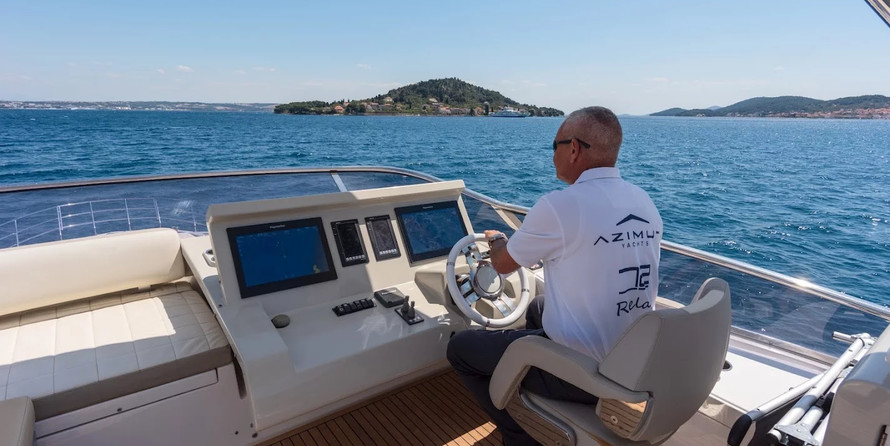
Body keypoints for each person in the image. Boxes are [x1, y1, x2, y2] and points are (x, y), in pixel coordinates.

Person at [446, 106, 663, 446]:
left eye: (555, 146)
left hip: (584, 374)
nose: (552, 156)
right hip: (631, 363)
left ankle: (518, 435)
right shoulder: (642, 200)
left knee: (460, 348)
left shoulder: (560, 206)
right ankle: (528, 392)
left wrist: (497, 238)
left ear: (573, 149)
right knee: (537, 306)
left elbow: (502, 264)